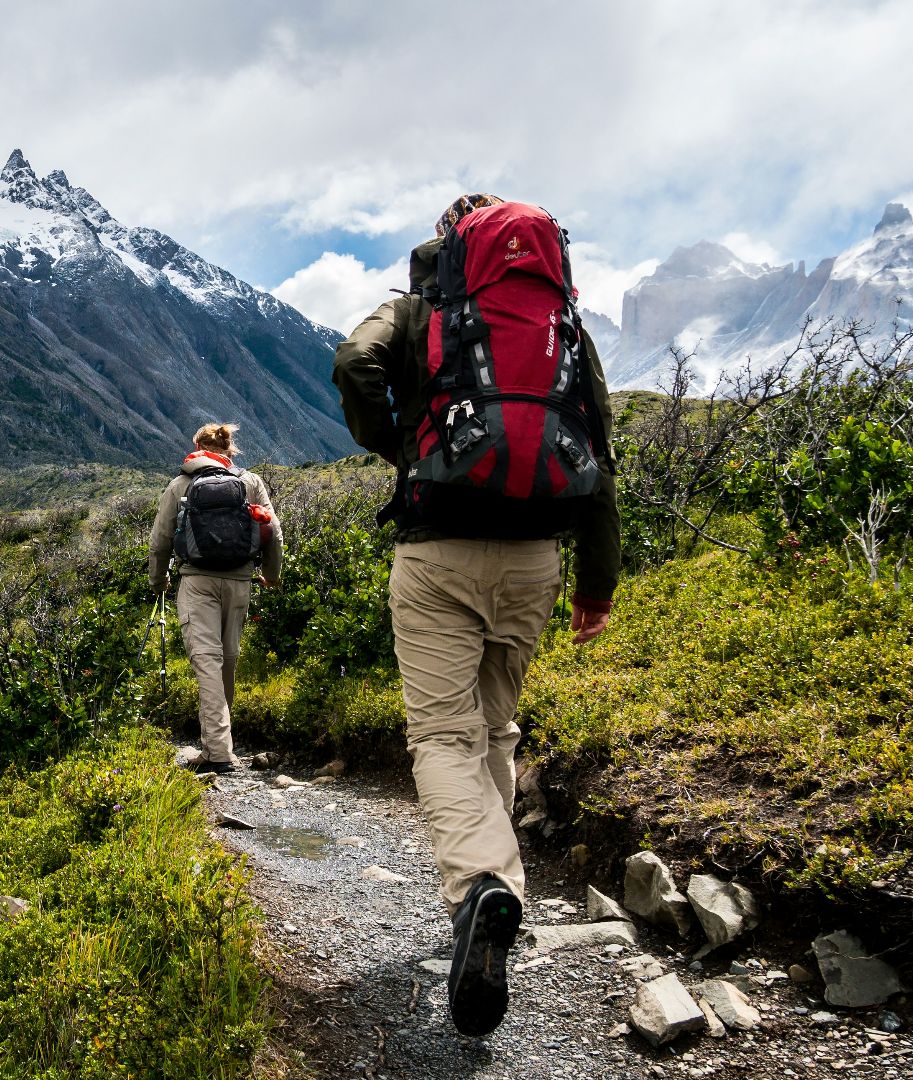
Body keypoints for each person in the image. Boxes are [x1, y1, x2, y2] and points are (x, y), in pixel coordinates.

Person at [332, 193, 620, 1037]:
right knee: (495, 728)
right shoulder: (562, 325)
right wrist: (596, 586)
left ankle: (481, 890)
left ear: (451, 242)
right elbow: (599, 449)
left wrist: (398, 444)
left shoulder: (422, 308)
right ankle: (496, 895)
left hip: (438, 550)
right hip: (535, 559)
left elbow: (354, 363)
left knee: (441, 736)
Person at [148, 422, 283, 776]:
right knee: (228, 659)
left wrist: (159, 579)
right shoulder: (250, 482)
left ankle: (218, 751)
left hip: (197, 582)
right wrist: (271, 574)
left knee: (206, 660)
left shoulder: (180, 484)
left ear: (197, 447)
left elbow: (160, 540)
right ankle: (220, 743)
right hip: (240, 582)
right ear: (229, 449)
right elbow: (274, 532)